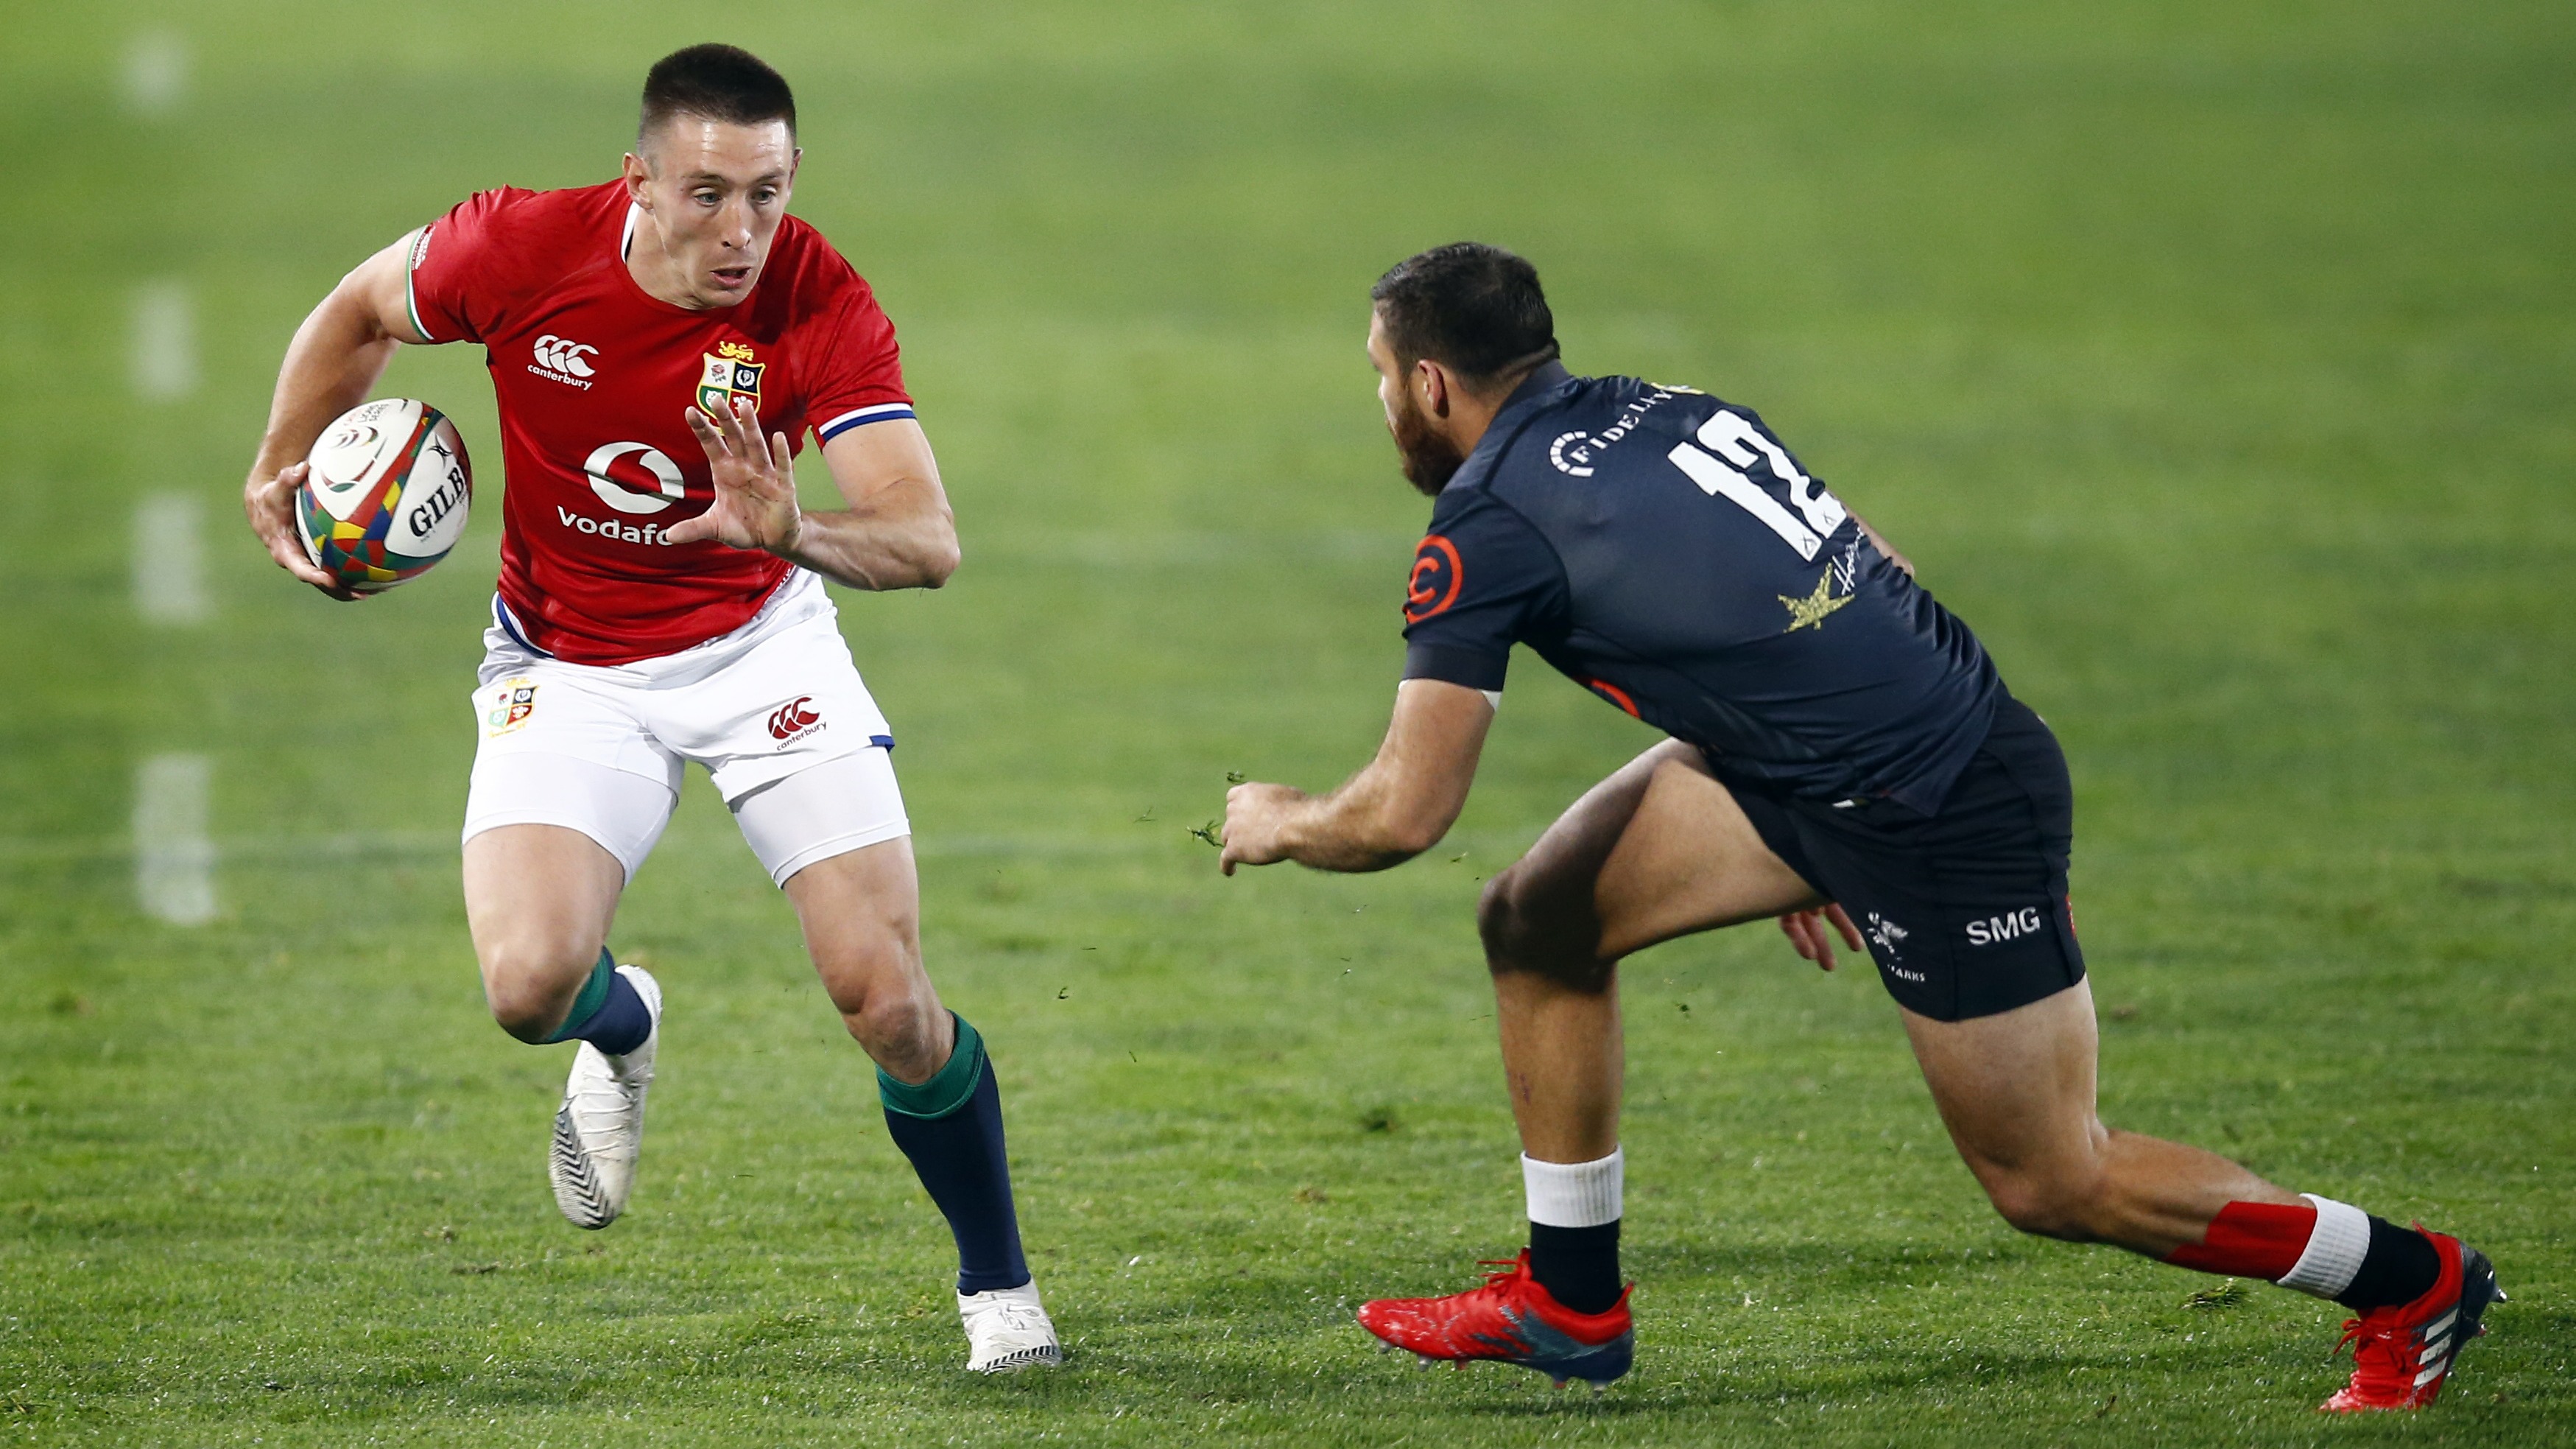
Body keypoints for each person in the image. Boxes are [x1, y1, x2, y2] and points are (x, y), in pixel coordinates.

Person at [1217, 242, 2496, 1410]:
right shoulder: (1671, 411)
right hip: (1820, 770)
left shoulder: (1485, 524)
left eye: (1381, 379)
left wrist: (1279, 820)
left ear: (1431, 384)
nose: (1382, 406)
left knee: (2051, 1180)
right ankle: (1570, 1303)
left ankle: (2410, 1280)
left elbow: (1401, 815)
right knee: (1538, 919)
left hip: (1937, 812)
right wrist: (1792, 786)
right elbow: (1857, 563)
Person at [240, 44, 1059, 1373]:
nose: (742, 231)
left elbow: (925, 541)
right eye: (707, 194)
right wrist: (279, 466)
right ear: (638, 180)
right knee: (527, 986)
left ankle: (999, 1290)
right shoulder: (512, 248)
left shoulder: (816, 298)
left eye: (769, 193)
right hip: (563, 661)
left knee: (887, 1003)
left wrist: (789, 531)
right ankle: (622, 1030)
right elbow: (357, 312)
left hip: (759, 651)